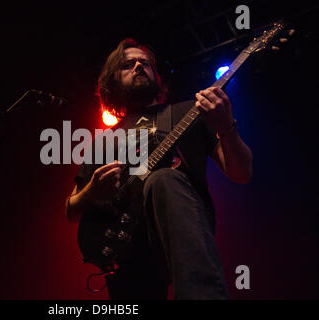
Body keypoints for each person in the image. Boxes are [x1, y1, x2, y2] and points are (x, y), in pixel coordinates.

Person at [65, 38, 252, 299]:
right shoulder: (103, 141)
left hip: (181, 234)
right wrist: (92, 192)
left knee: (163, 178)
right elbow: (71, 210)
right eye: (128, 64)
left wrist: (226, 127)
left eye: (146, 63)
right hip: (125, 249)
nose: (139, 66)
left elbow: (241, 173)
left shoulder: (191, 111)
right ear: (112, 80)